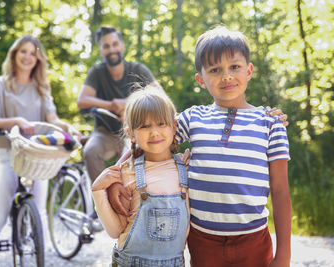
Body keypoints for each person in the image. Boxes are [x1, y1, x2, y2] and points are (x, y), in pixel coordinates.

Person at [107, 26, 291, 267]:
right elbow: (149, 141)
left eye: (234, 67)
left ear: (248, 71)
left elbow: (280, 191)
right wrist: (114, 179)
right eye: (215, 70)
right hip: (203, 239)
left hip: (253, 240)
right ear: (201, 80)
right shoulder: (193, 118)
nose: (226, 76)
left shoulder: (270, 123)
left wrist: (284, 255)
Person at [0, 35, 81, 267]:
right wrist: (17, 121)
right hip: (8, 156)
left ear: (38, 59)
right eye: (23, 51)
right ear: (14, 54)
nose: (28, 57)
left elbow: (52, 118)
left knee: (41, 213)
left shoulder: (41, 88)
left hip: (37, 156)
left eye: (33, 53)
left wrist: (68, 128)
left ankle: (40, 260)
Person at [91, 86, 190, 266]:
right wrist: (98, 192)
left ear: (174, 126)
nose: (154, 132)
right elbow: (115, 231)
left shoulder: (187, 167)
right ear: (131, 134)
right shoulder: (126, 173)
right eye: (144, 126)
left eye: (161, 123)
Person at [76, 25, 162, 183]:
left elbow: (160, 95)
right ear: (101, 50)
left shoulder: (137, 69)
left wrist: (128, 104)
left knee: (134, 158)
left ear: (122, 45)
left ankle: (130, 198)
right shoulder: (97, 72)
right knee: (90, 151)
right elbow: (82, 101)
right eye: (106, 46)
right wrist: (111, 105)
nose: (111, 49)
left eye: (115, 44)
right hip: (105, 133)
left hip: (134, 132)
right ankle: (101, 199)